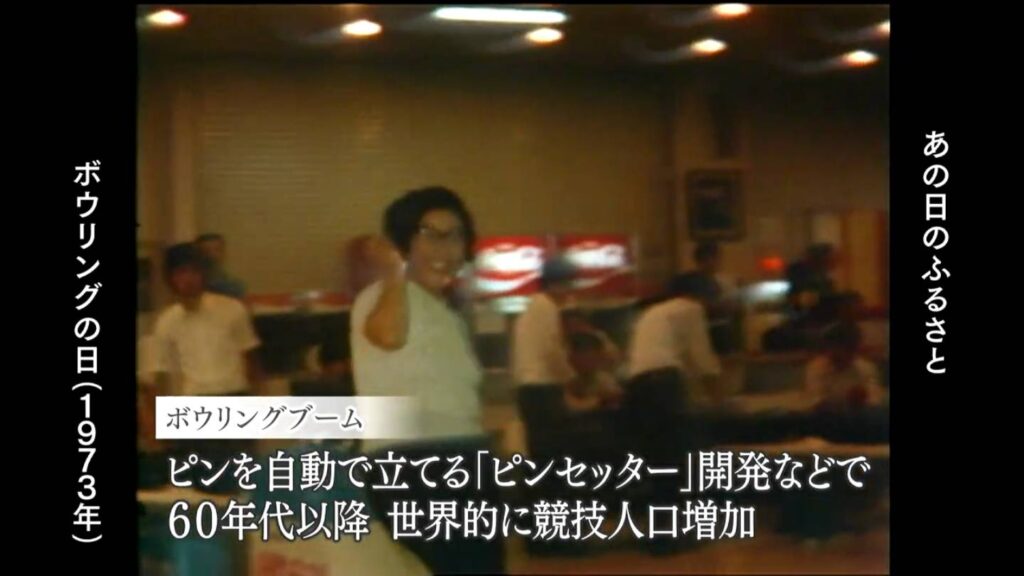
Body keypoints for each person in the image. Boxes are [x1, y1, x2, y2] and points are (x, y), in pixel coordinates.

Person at [350, 186, 504, 574]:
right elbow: (387, 336)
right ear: (403, 243)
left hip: (466, 458)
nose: (446, 249)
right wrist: (393, 272)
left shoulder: (448, 314)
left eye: (456, 235)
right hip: (414, 463)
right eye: (430, 235)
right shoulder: (380, 296)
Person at [143, 243, 264, 492]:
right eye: (180, 273)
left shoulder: (232, 309)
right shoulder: (167, 322)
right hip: (194, 405)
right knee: (201, 485)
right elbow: (157, 377)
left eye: (193, 271)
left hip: (234, 398)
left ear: (203, 274)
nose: (187, 279)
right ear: (170, 279)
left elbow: (250, 358)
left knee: (242, 482)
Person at [805, 322, 886, 411]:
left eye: (847, 349)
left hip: (860, 414)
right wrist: (843, 403)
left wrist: (862, 399)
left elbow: (874, 399)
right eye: (831, 347)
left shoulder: (866, 368)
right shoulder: (816, 368)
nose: (835, 352)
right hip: (828, 415)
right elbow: (816, 400)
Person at [195, 233, 247, 300]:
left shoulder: (233, 283)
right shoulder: (195, 281)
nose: (212, 255)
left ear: (224, 252)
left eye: (217, 250)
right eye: (206, 251)